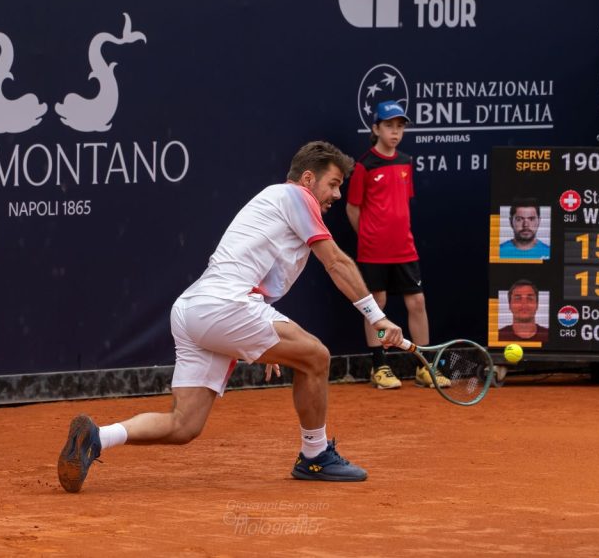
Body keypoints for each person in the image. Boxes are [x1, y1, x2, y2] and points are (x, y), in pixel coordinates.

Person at [57, 141, 406, 492]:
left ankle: (97, 437)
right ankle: (314, 456)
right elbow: (336, 262)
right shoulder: (297, 197)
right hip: (224, 306)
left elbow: (261, 279)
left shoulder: (278, 205)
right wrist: (377, 317)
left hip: (193, 310)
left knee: (184, 425)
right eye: (332, 184)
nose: (337, 193)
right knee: (316, 357)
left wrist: (267, 343)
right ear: (308, 178)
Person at [345, 100, 449, 390]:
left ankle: (424, 367)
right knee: (376, 307)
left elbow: (403, 203)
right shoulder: (365, 166)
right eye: (389, 126)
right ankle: (379, 366)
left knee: (417, 302)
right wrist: (368, 236)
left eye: (399, 126)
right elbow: (353, 209)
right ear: (376, 128)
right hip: (373, 251)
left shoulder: (405, 162)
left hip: (405, 249)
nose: (395, 132)